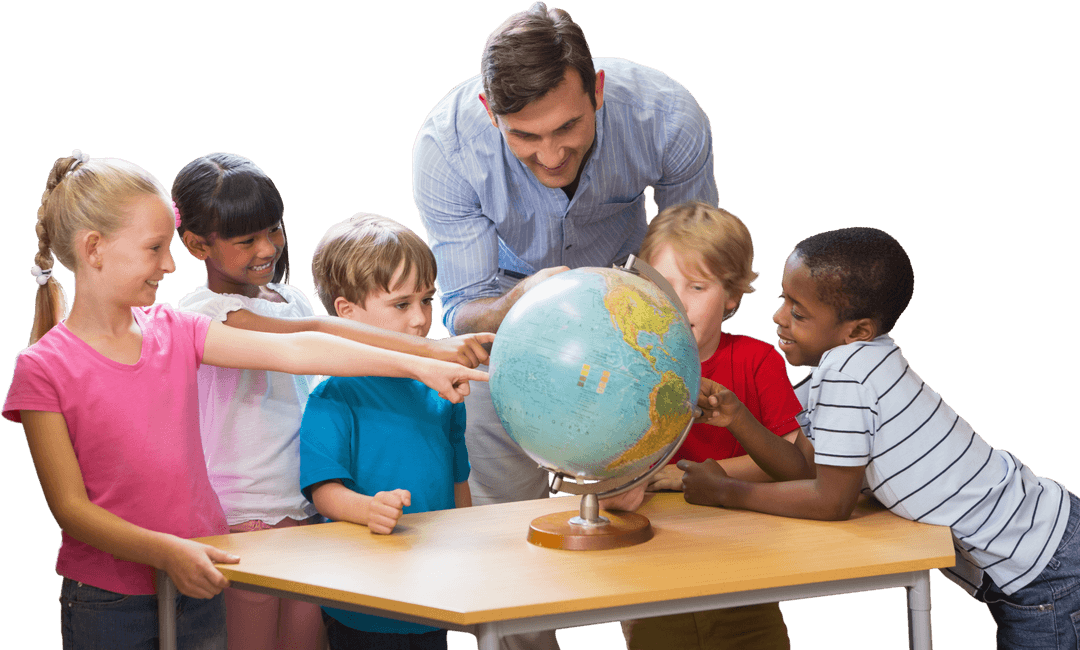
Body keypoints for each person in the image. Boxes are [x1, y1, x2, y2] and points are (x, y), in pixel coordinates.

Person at [2, 151, 487, 650]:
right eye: (155, 248)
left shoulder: (176, 329)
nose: (170, 264)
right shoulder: (43, 367)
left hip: (205, 568)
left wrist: (424, 360)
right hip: (111, 597)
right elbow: (71, 509)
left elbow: (303, 345)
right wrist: (168, 553)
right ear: (94, 249)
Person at [677, 227, 1078, 650]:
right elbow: (805, 467)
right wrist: (738, 418)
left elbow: (831, 502)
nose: (778, 318)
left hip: (1044, 566)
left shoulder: (847, 374)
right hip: (1048, 542)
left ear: (857, 330)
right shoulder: (853, 362)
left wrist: (726, 492)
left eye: (799, 312)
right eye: (783, 300)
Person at [172, 152, 492, 650]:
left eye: (273, 230)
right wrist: (426, 353)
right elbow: (315, 335)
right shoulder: (203, 313)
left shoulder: (290, 299)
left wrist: (430, 355)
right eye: (246, 240)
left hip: (304, 510)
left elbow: (327, 330)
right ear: (196, 244)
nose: (268, 248)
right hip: (246, 514)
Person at [412, 0, 719, 515]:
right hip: (505, 324)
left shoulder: (668, 119)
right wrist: (518, 301)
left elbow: (696, 256)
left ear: (597, 90)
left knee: (634, 513)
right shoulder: (446, 149)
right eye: (524, 136)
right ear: (489, 111)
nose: (551, 156)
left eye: (567, 127)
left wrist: (667, 368)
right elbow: (463, 310)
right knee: (503, 514)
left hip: (626, 316)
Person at [603, 202, 807, 650]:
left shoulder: (757, 360)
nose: (677, 301)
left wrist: (686, 476)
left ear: (732, 294)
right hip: (653, 576)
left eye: (697, 286)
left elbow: (795, 463)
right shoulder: (623, 367)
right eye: (662, 284)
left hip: (746, 572)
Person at [299, 213, 472, 650]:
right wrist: (368, 509)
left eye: (427, 300)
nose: (420, 320)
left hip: (433, 590)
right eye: (401, 304)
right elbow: (323, 491)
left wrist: (468, 547)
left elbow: (459, 482)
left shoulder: (442, 389)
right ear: (347, 313)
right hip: (362, 595)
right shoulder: (334, 394)